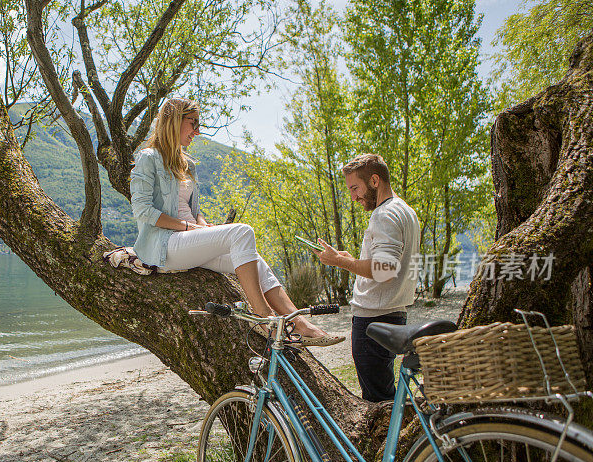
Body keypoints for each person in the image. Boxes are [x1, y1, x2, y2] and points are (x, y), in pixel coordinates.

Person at [130, 97, 339, 346]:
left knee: (255, 260)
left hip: (188, 240)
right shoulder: (149, 157)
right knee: (242, 233)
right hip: (164, 244)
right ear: (174, 121)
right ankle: (264, 317)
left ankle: (300, 324)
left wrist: (204, 226)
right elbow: (142, 210)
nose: (197, 131)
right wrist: (189, 227)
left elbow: (192, 210)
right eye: (193, 123)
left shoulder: (188, 165)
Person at [313, 154, 420, 401]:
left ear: (374, 180)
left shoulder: (383, 215)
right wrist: (351, 259)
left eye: (355, 188)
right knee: (385, 395)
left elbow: (384, 270)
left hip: (374, 319)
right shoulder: (406, 211)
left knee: (378, 401)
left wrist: (340, 261)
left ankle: (394, 440)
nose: (353, 197)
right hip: (395, 313)